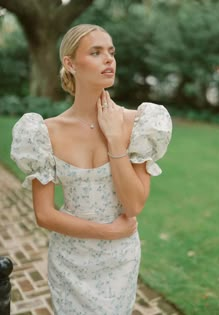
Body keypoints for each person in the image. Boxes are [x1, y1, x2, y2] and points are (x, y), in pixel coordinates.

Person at [11, 24, 172, 315]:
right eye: (95, 52)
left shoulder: (140, 123)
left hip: (119, 260)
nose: (109, 59)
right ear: (70, 63)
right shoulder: (43, 132)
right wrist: (108, 231)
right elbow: (44, 214)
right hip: (70, 260)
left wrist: (114, 140)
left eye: (111, 52)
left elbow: (133, 204)